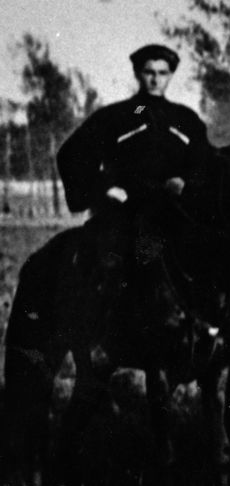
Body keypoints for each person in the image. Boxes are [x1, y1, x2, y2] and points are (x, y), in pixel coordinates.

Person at [57, 43, 211, 332]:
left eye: (162, 73)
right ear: (138, 73)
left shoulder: (185, 119)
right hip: (127, 214)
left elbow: (205, 164)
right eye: (149, 72)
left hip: (175, 215)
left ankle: (203, 331)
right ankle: (104, 334)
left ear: (170, 76)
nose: (155, 79)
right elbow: (71, 154)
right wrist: (103, 188)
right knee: (119, 265)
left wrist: (187, 183)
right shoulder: (122, 115)